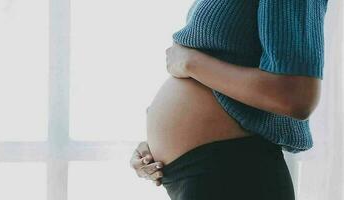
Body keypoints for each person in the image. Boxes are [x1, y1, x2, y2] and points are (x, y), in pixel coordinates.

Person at [130, 0, 329, 199]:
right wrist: (155, 148)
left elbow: (297, 97)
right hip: (198, 175)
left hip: (234, 173)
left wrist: (190, 63)